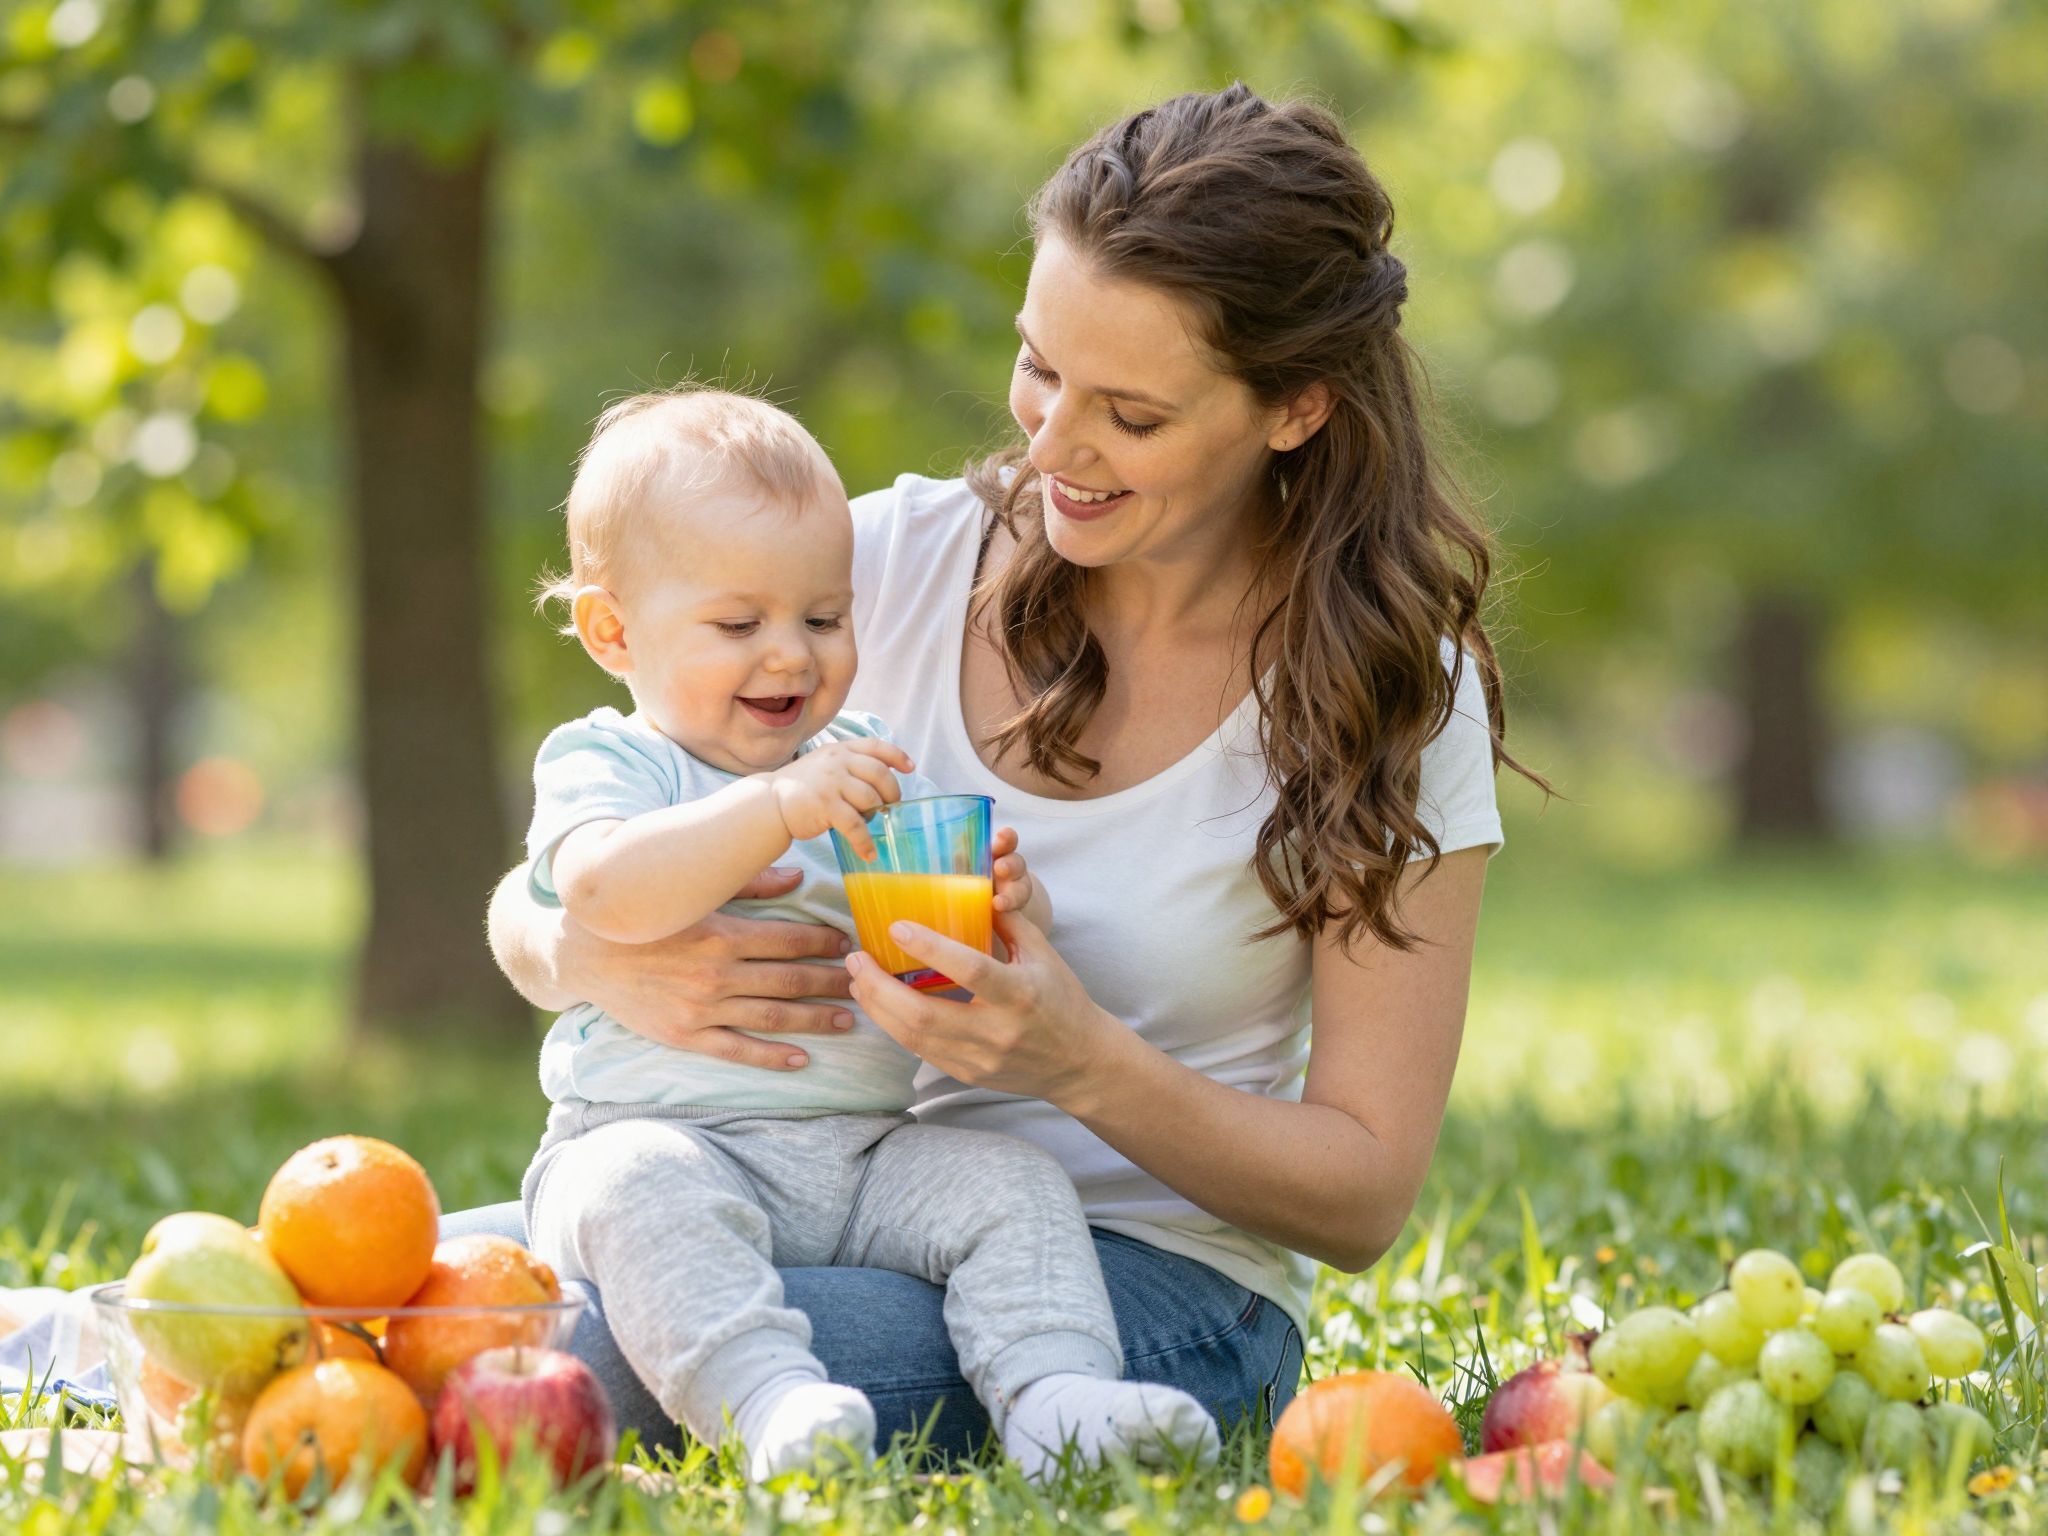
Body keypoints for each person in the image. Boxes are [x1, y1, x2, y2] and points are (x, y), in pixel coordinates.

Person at [460, 83, 1547, 1458]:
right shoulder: (876, 572)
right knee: (400, 1285)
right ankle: (112, 1345)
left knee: (563, 1350)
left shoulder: (1390, 693)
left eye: (1131, 416)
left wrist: (1078, 1059)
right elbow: (580, 841)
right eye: (1041, 368)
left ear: (1294, 407)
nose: (1049, 445)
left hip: (1144, 1291)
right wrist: (586, 957)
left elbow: (1364, 1194)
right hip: (808, 1184)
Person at [508, 386, 1221, 1480]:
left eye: (823, 618)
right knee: (629, 1196)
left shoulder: (863, 753)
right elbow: (603, 893)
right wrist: (780, 808)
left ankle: (1054, 1396)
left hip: (860, 1153)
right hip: (665, 1138)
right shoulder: (610, 761)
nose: (791, 657)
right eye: (738, 626)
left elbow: (924, 926)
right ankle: (768, 1405)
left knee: (1011, 1183)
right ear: (613, 631)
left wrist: (992, 911)